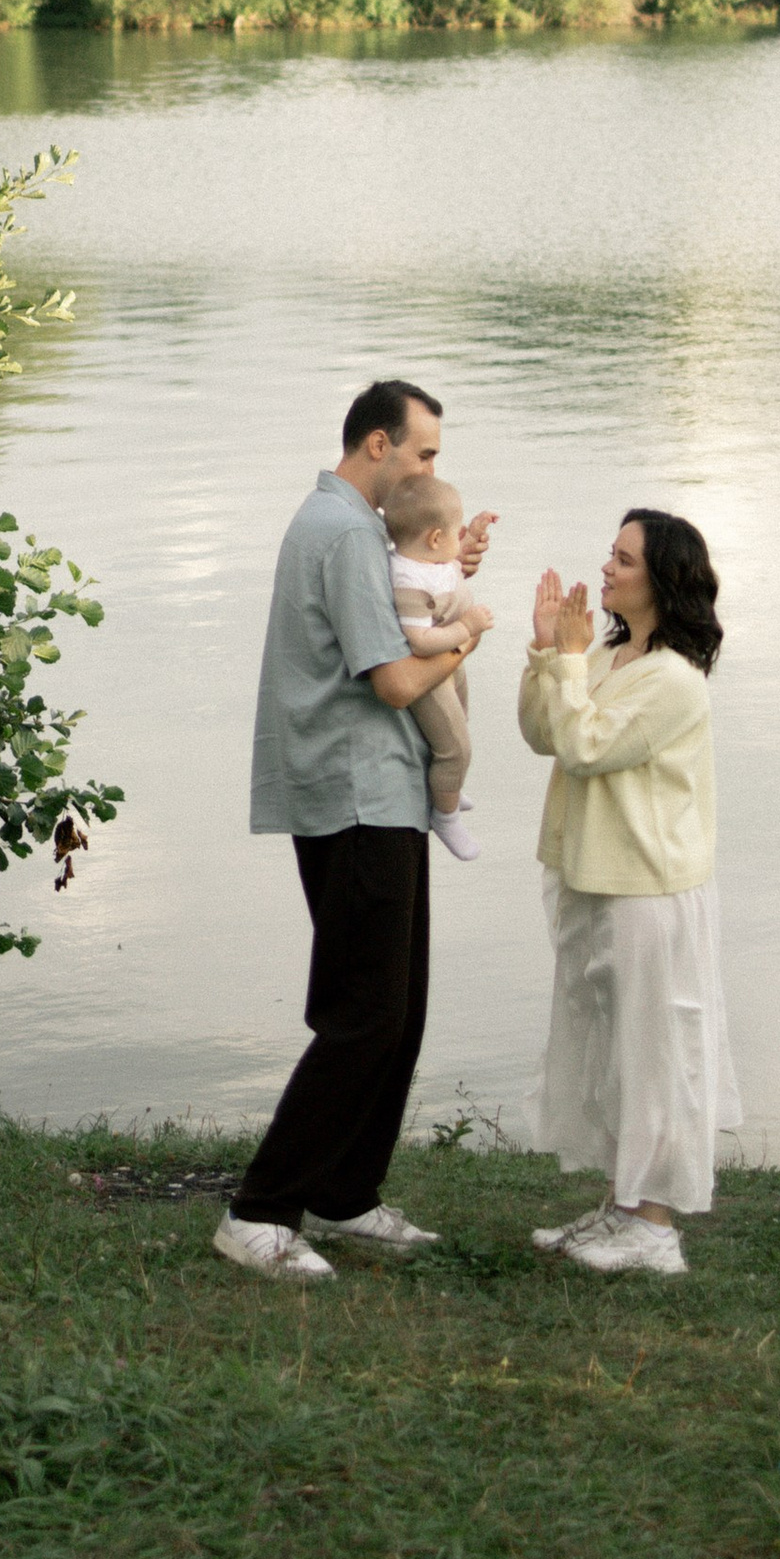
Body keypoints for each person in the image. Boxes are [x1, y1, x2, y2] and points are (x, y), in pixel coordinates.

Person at [215, 379, 495, 1284]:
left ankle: (345, 1190)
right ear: (379, 443)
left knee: (398, 1009)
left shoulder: (357, 530)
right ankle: (259, 1210)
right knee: (363, 1015)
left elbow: (404, 606)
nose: (430, 467)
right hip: (355, 793)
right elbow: (398, 680)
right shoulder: (341, 533)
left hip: (382, 793)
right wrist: (469, 636)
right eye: (424, 452)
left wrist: (448, 567)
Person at [518, 508, 739, 1281]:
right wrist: (549, 652)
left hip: (647, 885)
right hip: (593, 873)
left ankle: (655, 1229)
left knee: (654, 1052)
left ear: (663, 579)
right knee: (610, 1050)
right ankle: (622, 1205)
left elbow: (586, 746)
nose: (607, 568)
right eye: (610, 553)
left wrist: (566, 663)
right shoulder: (608, 655)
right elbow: (544, 733)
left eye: (624, 559)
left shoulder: (674, 680)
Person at [382, 472, 483, 862]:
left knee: (460, 722)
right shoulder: (408, 582)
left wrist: (470, 537)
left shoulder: (426, 558)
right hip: (429, 671)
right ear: (435, 539)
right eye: (456, 532)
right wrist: (466, 629)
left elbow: (449, 566)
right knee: (455, 745)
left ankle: (450, 788)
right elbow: (420, 641)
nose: (460, 540)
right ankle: (445, 816)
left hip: (449, 662)